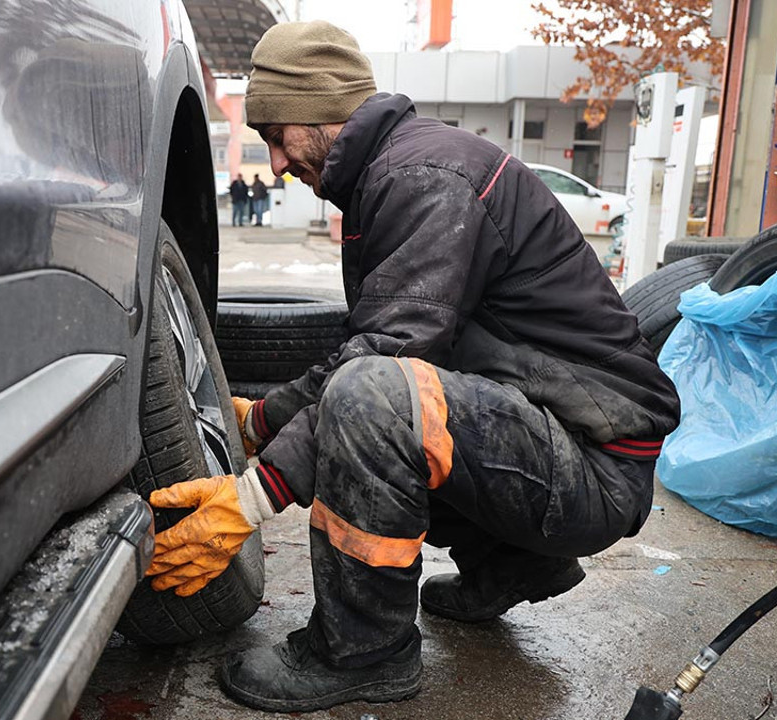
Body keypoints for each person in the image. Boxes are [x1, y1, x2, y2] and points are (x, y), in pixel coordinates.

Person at [143, 20, 681, 713]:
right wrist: (264, 420)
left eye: (277, 135)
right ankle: (514, 562)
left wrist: (250, 499)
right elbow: (381, 338)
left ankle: (364, 651)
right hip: (556, 436)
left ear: (324, 111)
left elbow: (382, 365)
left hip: (594, 467)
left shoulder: (421, 177)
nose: (273, 163)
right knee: (382, 394)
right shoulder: (392, 172)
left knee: (375, 402)